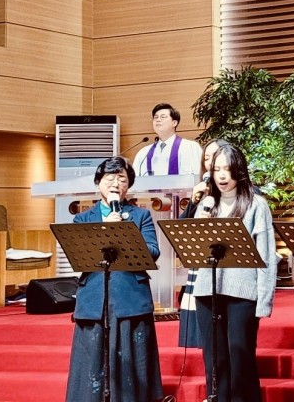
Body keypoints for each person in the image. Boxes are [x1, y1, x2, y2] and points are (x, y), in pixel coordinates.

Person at [65, 156, 163, 402]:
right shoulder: (83, 219)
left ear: (128, 186)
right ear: (98, 182)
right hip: (94, 300)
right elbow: (79, 258)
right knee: (91, 362)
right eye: (110, 177)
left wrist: (123, 233)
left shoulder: (140, 216)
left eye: (122, 178)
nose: (115, 183)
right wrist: (104, 231)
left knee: (132, 359)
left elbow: (152, 252)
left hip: (130, 297)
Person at [192, 144, 280, 401]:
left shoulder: (256, 205)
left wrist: (264, 301)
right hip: (207, 290)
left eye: (227, 169)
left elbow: (265, 256)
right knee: (214, 361)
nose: (221, 176)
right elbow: (195, 252)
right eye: (216, 169)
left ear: (238, 171)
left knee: (241, 360)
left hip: (242, 294)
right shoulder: (207, 205)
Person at [178, 138, 230, 348]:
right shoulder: (201, 195)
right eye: (206, 158)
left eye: (215, 157)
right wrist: (193, 201)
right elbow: (182, 229)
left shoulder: (237, 196)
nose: (209, 163)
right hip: (200, 266)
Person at [133, 102, 203, 176]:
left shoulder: (190, 147)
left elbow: (199, 176)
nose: (158, 120)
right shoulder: (144, 153)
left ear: (174, 123)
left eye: (163, 117)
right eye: (155, 117)